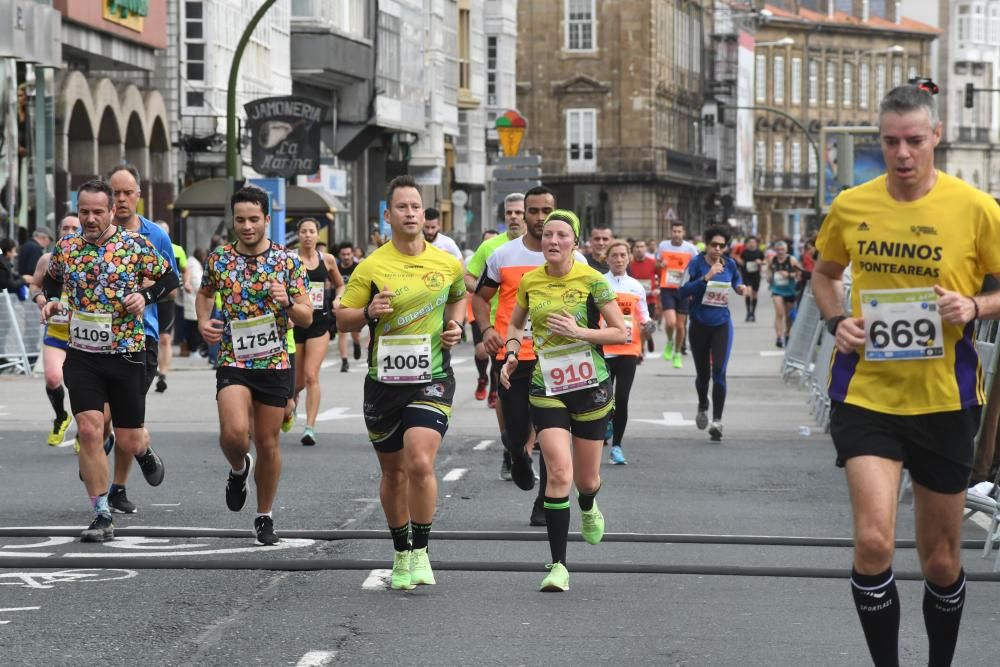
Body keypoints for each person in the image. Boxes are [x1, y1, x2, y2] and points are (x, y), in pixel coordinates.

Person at [812, 84, 1000, 667]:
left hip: (944, 397)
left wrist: (974, 307)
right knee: (873, 542)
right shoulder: (852, 204)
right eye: (891, 142)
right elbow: (824, 273)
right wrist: (837, 319)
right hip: (867, 393)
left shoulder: (977, 209)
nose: (902, 154)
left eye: (914, 141)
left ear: (935, 137)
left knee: (941, 560)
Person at [336, 175, 465, 590]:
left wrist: (455, 324)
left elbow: (459, 295)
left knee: (420, 461)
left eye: (417, 207)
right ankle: (401, 550)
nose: (411, 214)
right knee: (393, 473)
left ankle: (422, 550)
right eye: (403, 207)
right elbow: (342, 317)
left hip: (432, 377)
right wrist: (369, 312)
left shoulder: (446, 262)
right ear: (388, 215)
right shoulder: (371, 266)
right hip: (383, 381)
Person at [499, 209, 626, 592]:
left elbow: (620, 333)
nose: (553, 241)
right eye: (548, 235)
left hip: (590, 386)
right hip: (547, 384)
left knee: (586, 481)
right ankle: (558, 566)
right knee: (558, 473)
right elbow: (516, 322)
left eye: (562, 235)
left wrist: (580, 331)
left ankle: (588, 505)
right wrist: (509, 352)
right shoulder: (530, 281)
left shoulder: (592, 281)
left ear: (575, 242)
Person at [40, 179, 174, 542]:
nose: (90, 218)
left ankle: (143, 451)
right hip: (83, 355)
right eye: (84, 211)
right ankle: (100, 513)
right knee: (88, 430)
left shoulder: (135, 245)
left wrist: (144, 295)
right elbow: (52, 281)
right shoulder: (67, 247)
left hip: (126, 353)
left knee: (129, 440)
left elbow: (170, 278)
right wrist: (51, 301)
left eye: (98, 211)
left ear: (112, 211)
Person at [197, 185, 311, 546]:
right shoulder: (219, 260)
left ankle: (264, 516)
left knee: (268, 443)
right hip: (233, 358)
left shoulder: (287, 261)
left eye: (253, 219)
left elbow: (307, 316)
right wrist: (203, 322)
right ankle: (237, 468)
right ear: (232, 220)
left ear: (266, 219)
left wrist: (287, 304)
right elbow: (204, 294)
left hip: (274, 361)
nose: (246, 226)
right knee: (233, 434)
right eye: (240, 220)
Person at [475, 186, 584, 526]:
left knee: (552, 430)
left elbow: (590, 303)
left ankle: (544, 501)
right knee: (517, 428)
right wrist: (487, 331)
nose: (539, 218)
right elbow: (480, 298)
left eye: (545, 211)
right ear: (523, 214)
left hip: (557, 358)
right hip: (513, 354)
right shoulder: (503, 255)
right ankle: (516, 452)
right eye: (532, 211)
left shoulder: (573, 257)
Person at [103, 164, 178, 514]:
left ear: (138, 195)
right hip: (97, 336)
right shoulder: (95, 232)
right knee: (98, 420)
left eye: (127, 192)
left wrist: (160, 323)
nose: (120, 199)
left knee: (122, 418)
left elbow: (169, 285)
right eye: (115, 192)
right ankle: (112, 448)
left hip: (139, 338)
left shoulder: (155, 236)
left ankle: (117, 487)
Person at [466, 194, 526, 478]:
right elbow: (469, 278)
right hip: (500, 329)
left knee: (536, 397)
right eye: (509, 212)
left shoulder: (546, 247)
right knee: (504, 391)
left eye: (518, 212)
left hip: (539, 334)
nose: (513, 217)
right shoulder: (491, 247)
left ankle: (522, 448)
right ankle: (509, 445)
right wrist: (490, 286)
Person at [679, 225, 749, 443]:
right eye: (714, 245)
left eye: (722, 245)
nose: (718, 249)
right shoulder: (695, 263)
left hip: (721, 324)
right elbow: (682, 290)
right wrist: (706, 277)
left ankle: (717, 421)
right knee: (703, 375)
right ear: (707, 244)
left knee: (719, 371)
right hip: (699, 324)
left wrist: (739, 287)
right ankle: (703, 404)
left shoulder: (730, 264)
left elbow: (736, 279)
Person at [29, 214, 81, 447]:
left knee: (80, 386)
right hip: (57, 333)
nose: (69, 231)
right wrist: (39, 297)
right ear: (58, 231)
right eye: (65, 227)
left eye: (74, 228)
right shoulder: (47, 259)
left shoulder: (92, 259)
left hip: (84, 337)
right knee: (52, 377)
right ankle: (61, 417)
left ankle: (86, 431)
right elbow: (34, 284)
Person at [291, 218, 345, 446]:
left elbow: (340, 284)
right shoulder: (289, 259)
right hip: (296, 323)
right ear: (298, 235)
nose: (307, 235)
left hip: (320, 323)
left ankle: (309, 428)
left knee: (312, 375)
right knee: (298, 383)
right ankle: (289, 405)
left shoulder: (328, 260)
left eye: (312, 231)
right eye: (303, 231)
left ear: (317, 235)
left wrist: (339, 298)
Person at [603, 240, 653, 464]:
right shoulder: (598, 283)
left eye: (623, 255)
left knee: (622, 398)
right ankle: (605, 423)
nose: (619, 259)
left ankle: (617, 447)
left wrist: (649, 326)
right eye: (614, 255)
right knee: (604, 399)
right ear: (608, 259)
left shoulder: (635, 286)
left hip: (627, 349)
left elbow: (644, 317)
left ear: (629, 258)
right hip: (603, 349)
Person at [657, 221, 699, 368]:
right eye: (674, 231)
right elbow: (657, 263)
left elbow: (697, 268)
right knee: (670, 323)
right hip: (667, 288)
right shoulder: (663, 246)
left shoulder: (691, 249)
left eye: (679, 231)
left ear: (683, 233)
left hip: (684, 289)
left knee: (681, 327)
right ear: (671, 232)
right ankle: (669, 342)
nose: (676, 234)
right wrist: (660, 265)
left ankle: (677, 353)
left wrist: (694, 285)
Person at [154, 221, 187, 392]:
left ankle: (163, 374)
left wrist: (185, 282)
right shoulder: (147, 245)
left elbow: (184, 269)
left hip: (166, 301)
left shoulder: (177, 250)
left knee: (165, 338)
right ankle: (152, 368)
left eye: (165, 233)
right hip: (148, 302)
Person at [334, 241, 363, 371]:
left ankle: (357, 344)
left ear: (353, 254)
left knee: (355, 333)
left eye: (348, 254)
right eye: (343, 254)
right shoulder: (337, 268)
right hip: (341, 303)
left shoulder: (359, 267)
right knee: (342, 332)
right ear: (339, 255)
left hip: (356, 303)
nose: (346, 257)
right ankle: (344, 361)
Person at [628, 239, 659, 356]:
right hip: (634, 300)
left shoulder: (652, 262)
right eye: (637, 247)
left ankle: (648, 337)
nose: (639, 249)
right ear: (633, 249)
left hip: (650, 300)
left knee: (647, 326)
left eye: (642, 246)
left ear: (645, 249)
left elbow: (663, 275)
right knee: (638, 326)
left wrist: (658, 288)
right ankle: (640, 350)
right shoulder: (629, 264)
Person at [768, 240, 801, 348]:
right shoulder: (772, 260)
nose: (780, 252)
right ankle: (779, 337)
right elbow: (769, 272)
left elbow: (799, 273)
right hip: (777, 290)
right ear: (775, 251)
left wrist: (789, 275)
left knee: (788, 316)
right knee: (779, 313)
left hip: (790, 291)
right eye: (778, 250)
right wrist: (770, 278)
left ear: (786, 250)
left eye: (782, 250)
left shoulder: (792, 260)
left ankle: (787, 333)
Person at [182, 248, 206, 358]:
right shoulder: (194, 266)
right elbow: (197, 284)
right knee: (194, 329)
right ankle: (194, 350)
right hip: (194, 302)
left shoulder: (191, 263)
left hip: (192, 301)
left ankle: (193, 349)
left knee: (192, 328)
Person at [735, 236, 765, 322]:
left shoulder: (759, 252)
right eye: (750, 242)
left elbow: (765, 262)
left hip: (756, 276)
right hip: (746, 275)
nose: (751, 244)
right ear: (747, 244)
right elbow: (739, 258)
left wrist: (761, 262)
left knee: (754, 295)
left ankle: (753, 313)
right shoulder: (744, 252)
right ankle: (748, 312)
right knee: (748, 293)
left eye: (753, 242)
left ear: (756, 243)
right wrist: (740, 261)